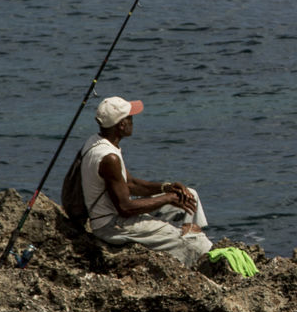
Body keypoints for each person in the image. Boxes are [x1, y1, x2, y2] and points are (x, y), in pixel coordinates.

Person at [78, 95, 213, 267]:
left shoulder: (97, 142)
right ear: (121, 124)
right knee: (195, 244)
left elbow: (131, 184)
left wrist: (167, 188)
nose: (133, 121)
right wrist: (168, 198)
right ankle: (192, 246)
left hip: (119, 217)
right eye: (130, 117)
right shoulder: (109, 158)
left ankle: (187, 233)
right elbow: (125, 208)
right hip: (112, 225)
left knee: (189, 195)